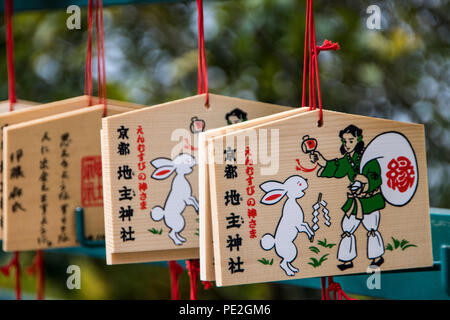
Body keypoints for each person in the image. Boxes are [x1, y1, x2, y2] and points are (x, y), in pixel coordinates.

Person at [310, 125, 385, 270]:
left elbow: (376, 177)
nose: (347, 145)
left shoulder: (368, 157)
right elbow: (337, 167)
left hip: (370, 200)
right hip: (355, 200)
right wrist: (322, 161)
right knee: (347, 228)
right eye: (345, 141)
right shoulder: (348, 160)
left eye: (351, 141)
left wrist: (365, 180)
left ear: (359, 139)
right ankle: (347, 260)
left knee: (372, 227)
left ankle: (377, 257)